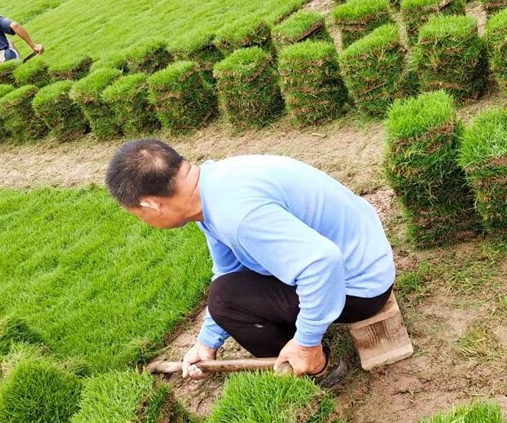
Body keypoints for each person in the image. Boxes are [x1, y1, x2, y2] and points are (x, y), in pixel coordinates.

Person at [105, 139, 396, 380]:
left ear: (151, 204)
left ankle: (316, 366)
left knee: (225, 301)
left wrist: (306, 342)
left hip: (360, 285)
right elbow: (228, 270)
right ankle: (305, 339)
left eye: (138, 214)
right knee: (226, 293)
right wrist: (207, 342)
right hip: (362, 254)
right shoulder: (212, 187)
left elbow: (322, 262)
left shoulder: (238, 217)